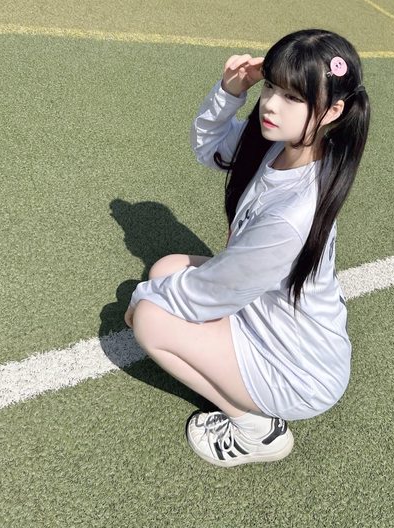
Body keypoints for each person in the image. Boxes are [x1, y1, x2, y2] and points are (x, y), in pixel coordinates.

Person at [124, 29, 371, 467]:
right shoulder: (278, 146)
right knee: (164, 268)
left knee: (149, 319)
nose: (271, 104)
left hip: (298, 370)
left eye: (293, 97)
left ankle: (258, 430)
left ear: (333, 111)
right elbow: (208, 149)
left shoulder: (292, 214)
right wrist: (230, 92)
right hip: (270, 316)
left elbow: (210, 292)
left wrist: (144, 300)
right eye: (271, 86)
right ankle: (238, 383)